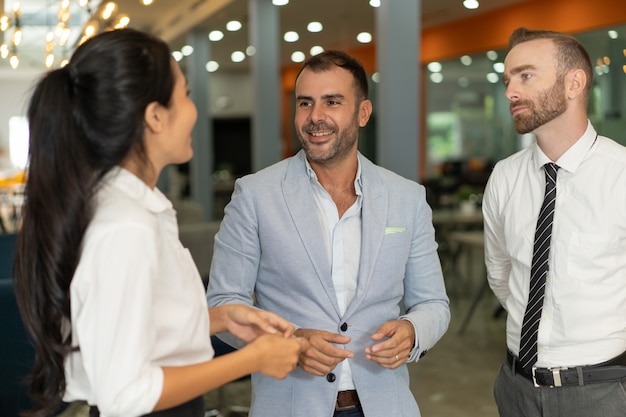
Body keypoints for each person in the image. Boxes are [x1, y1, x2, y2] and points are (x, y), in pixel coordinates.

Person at [12, 28, 306, 417]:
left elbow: (138, 331)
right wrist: (253, 361)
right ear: (154, 116)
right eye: (184, 94)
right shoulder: (125, 227)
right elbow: (126, 394)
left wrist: (219, 319)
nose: (193, 110)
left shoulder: (128, 209)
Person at [206, 50, 450, 417]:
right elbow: (222, 304)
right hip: (289, 405)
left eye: (332, 102)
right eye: (305, 103)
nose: (315, 117)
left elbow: (434, 304)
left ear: (363, 113)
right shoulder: (255, 195)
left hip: (386, 404)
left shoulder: (407, 197)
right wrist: (288, 341)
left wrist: (413, 330)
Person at [483, 27, 626, 417]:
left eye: (525, 76)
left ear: (574, 83)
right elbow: (501, 272)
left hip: (602, 392)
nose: (511, 91)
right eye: (508, 79)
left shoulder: (621, 175)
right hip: (514, 388)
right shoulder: (504, 176)